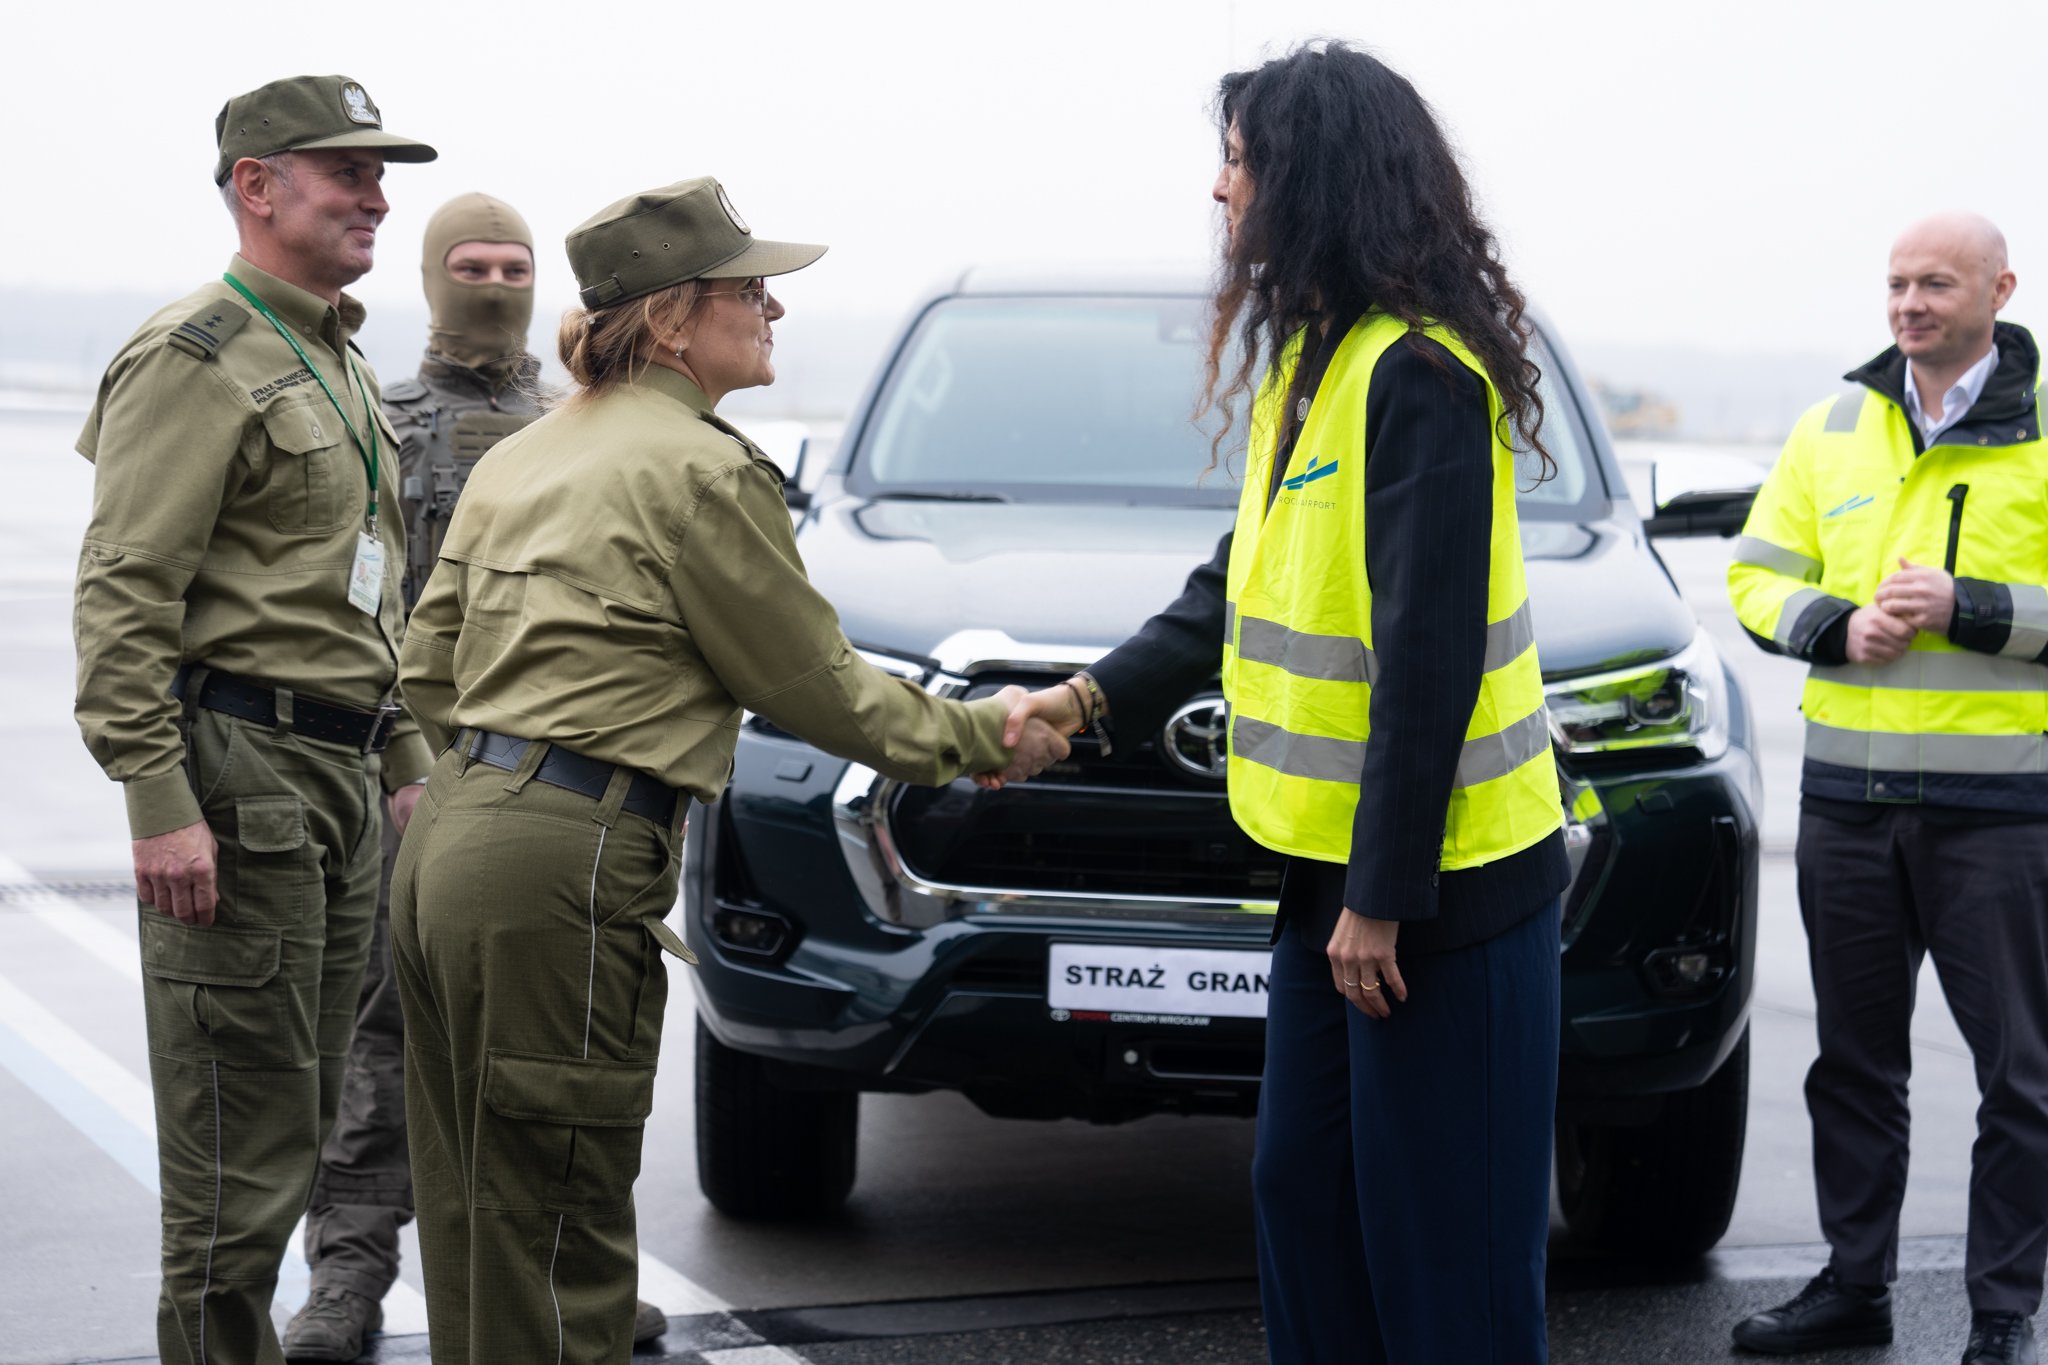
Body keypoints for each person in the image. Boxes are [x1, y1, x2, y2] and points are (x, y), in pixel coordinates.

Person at [387, 176, 1069, 1361]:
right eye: (750, 291)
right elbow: (817, 686)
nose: (773, 311)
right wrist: (983, 737)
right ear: (669, 317)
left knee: (479, 1225)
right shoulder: (704, 470)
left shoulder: (527, 454)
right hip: (562, 860)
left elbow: (428, 670)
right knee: (563, 1244)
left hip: (451, 842)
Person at [997, 42, 1569, 1364]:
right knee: (1304, 1206)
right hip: (1328, 881)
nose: (1219, 190)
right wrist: (1080, 702)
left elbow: (1429, 664)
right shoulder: (1317, 362)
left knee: (1450, 1272)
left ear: (1311, 178)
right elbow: (1236, 588)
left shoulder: (1418, 375)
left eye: (1238, 162)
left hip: (1442, 898)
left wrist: (1384, 894)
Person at [70, 74, 437, 1362]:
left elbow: (361, 597)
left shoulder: (332, 355)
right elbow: (125, 595)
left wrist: (402, 756)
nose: (376, 197)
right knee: (235, 1169)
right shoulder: (196, 355)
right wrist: (158, 804)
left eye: (380, 175)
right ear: (257, 185)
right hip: (244, 780)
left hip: (335, 777)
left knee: (300, 1127)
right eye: (349, 172)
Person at [282, 194, 674, 1360]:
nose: (496, 287)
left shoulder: (578, 429)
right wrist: (391, 755)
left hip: (548, 787)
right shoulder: (377, 420)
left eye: (514, 268)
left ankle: (566, 1279)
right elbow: (348, 605)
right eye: (472, 265)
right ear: (430, 275)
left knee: (553, 1054)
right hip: (404, 777)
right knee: (380, 1032)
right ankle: (347, 1274)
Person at [1727, 214, 2048, 1365]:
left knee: (2019, 1078)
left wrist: (1973, 608)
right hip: (1847, 806)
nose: (1908, 303)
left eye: (1935, 283)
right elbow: (1755, 576)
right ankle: (1851, 1287)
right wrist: (1834, 626)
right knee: (1853, 1066)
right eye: (1896, 282)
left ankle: (2000, 1315)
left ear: (1998, 289)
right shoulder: (1829, 427)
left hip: (1998, 816)